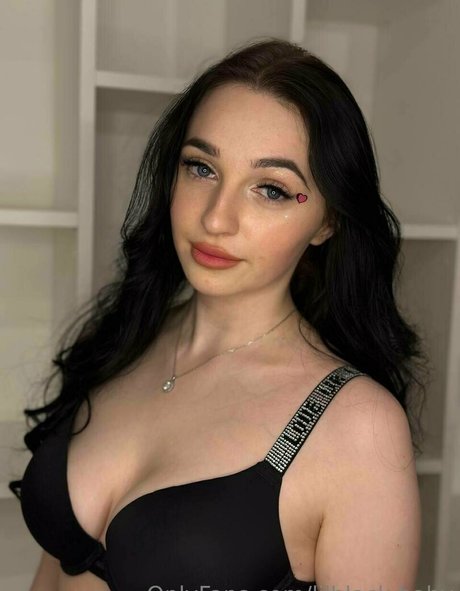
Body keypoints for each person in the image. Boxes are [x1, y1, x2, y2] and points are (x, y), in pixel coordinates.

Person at [9, 37, 427, 591]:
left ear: (328, 221)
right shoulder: (123, 338)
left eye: (271, 190)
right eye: (201, 168)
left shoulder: (358, 426)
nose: (216, 219)